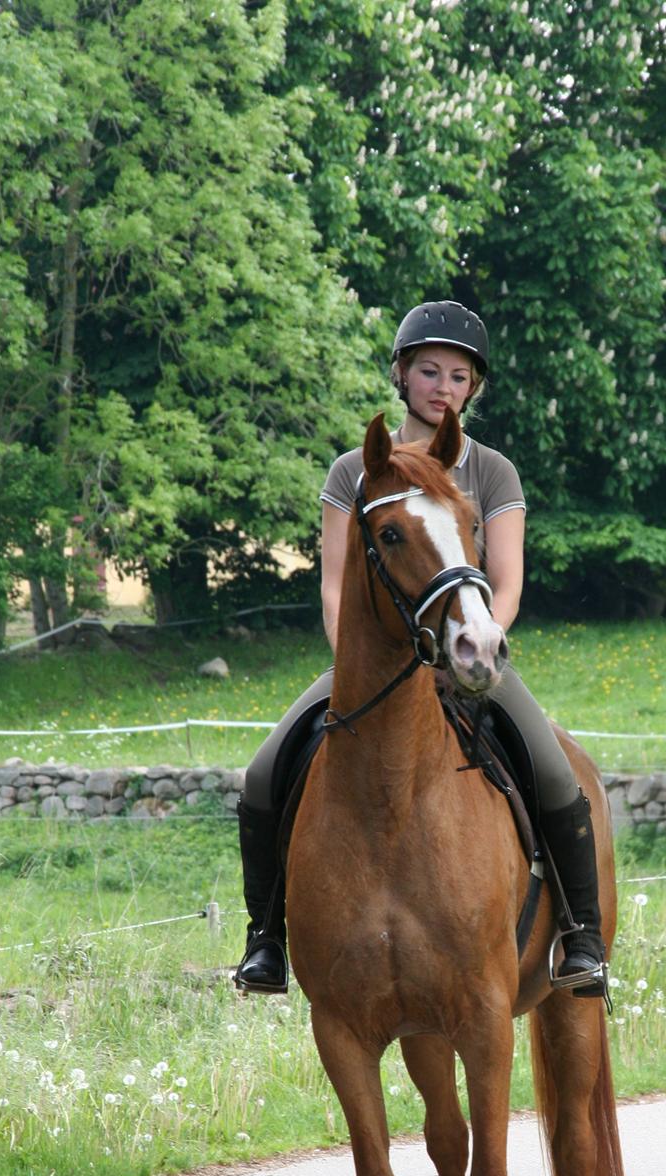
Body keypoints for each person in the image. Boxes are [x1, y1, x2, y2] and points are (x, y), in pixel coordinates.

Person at [233, 300, 608, 1000]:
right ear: (401, 375)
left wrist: (480, 641)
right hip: (374, 667)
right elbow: (336, 588)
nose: (443, 386)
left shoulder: (492, 471)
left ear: (473, 389)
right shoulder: (355, 470)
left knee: (557, 775)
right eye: (429, 371)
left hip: (470, 654)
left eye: (458, 376)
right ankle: (266, 940)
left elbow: (507, 579)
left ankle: (580, 936)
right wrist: (360, 665)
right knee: (261, 775)